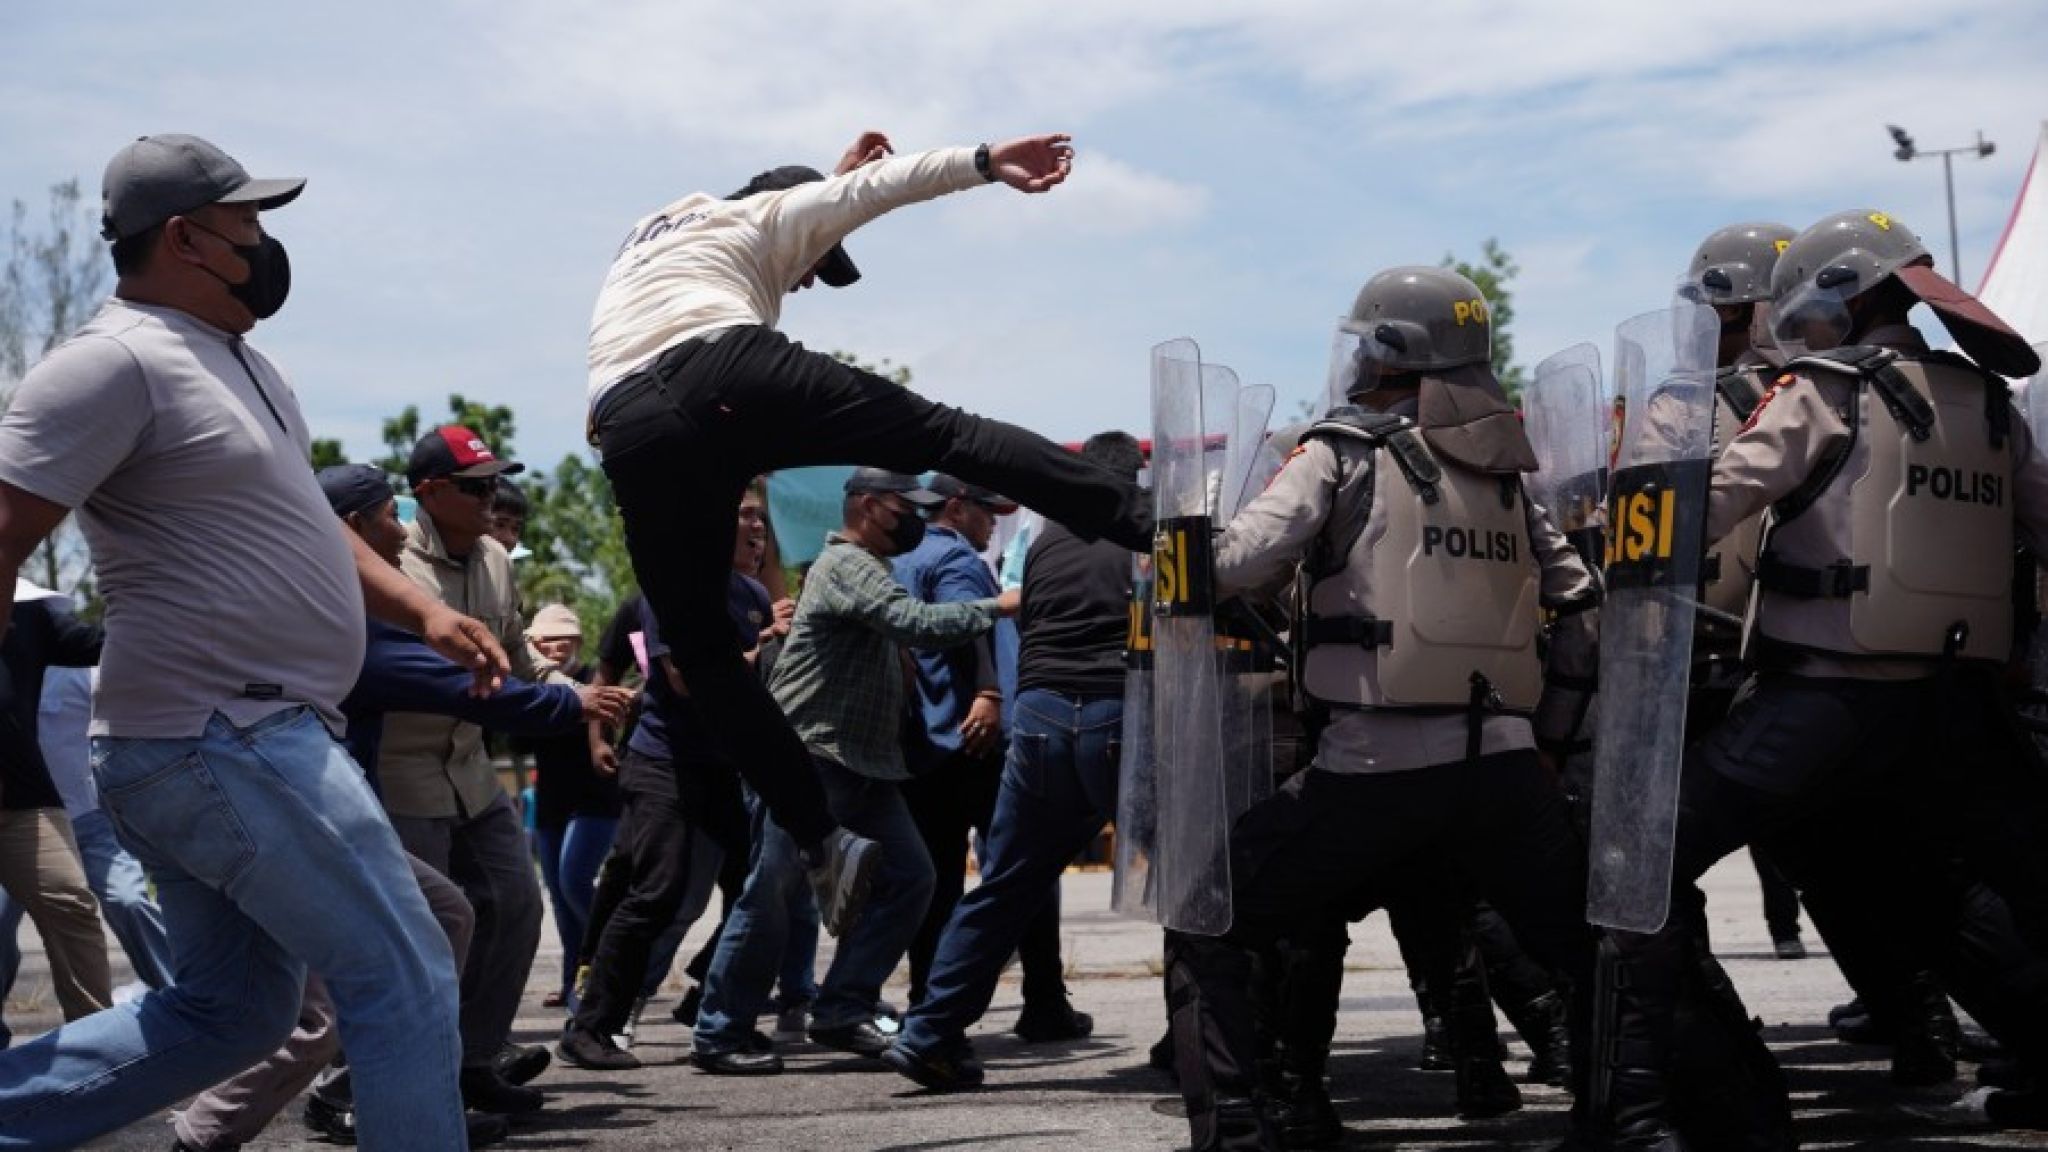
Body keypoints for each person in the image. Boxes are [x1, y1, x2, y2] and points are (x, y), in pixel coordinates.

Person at [0, 133, 508, 1151]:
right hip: (216, 730)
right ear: (187, 239)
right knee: (401, 969)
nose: (266, 246)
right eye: (249, 226)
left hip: (244, 734)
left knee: (235, 1011)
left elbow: (306, 523)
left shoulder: (244, 364)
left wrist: (420, 611)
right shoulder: (108, 364)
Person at [585, 129, 1152, 941]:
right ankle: (1145, 524)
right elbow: (865, 194)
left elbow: (809, 206)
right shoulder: (767, 216)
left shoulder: (658, 230)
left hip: (628, 426)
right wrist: (986, 163)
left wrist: (833, 187)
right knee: (948, 436)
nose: (810, 282)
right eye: (818, 265)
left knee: (702, 652)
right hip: (726, 376)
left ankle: (821, 841)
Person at [1596, 209, 2048, 1145]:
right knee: (1988, 890)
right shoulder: (1991, 405)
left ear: (1840, 298)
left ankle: (1677, 1115)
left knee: (1643, 864)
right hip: (1962, 707)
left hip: (1831, 699)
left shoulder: (1822, 390)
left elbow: (1713, 501)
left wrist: (1617, 517)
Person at [1154, 269, 1602, 1151]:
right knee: (1584, 949)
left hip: (1373, 762)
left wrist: (1174, 526)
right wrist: (1551, 739)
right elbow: (1579, 604)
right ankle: (1634, 1117)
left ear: (1392, 351)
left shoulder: (1339, 449)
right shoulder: (1507, 470)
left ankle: (1243, 1130)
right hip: (1506, 767)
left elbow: (1239, 562)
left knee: (1209, 915)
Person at [172, 464, 628, 1152]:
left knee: (439, 920)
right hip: (294, 808)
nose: (399, 528)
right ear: (352, 529)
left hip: (321, 805)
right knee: (307, 1011)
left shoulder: (373, 589)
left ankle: (419, 1090)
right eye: (389, 514)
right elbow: (449, 685)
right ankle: (238, 1122)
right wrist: (570, 701)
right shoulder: (341, 607)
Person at [691, 470, 1019, 1074]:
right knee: (771, 893)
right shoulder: (847, 566)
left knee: (912, 879)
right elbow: (918, 623)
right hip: (809, 757)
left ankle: (844, 1006)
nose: (916, 521)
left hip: (864, 765)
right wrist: (1001, 605)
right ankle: (719, 1031)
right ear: (870, 507)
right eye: (906, 508)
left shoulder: (875, 568)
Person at [885, 434, 1142, 1091]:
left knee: (1005, 882)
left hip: (1039, 719)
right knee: (1181, 883)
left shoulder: (1050, 538)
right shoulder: (1146, 532)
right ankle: (1195, 1042)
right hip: (1114, 712)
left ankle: (930, 1031)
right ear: (1135, 477)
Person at [377, 424, 580, 1114]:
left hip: (470, 768)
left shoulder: (496, 557)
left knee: (517, 907)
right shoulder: (392, 563)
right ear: (429, 493)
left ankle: (473, 1060)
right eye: (475, 486)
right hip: (398, 771)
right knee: (419, 936)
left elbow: (518, 651)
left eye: (496, 480)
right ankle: (377, 1081)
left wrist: (566, 686)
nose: (493, 496)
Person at [559, 492, 784, 1069]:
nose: (755, 524)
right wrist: (758, 650)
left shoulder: (755, 595)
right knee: (656, 892)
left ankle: (718, 1008)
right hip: (663, 764)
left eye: (760, 514)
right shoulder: (672, 590)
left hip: (724, 765)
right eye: (743, 513)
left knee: (763, 883)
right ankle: (591, 1027)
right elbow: (686, 681)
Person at [893, 474, 1084, 1037]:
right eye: (987, 512)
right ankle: (1044, 1001)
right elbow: (973, 622)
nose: (993, 524)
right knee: (1026, 866)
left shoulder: (900, 559)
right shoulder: (958, 560)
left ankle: (928, 1004)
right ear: (957, 506)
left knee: (937, 880)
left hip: (923, 745)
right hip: (977, 742)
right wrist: (990, 693)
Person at [0, 662, 175, 1050]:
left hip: (87, 815)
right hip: (23, 820)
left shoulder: (83, 673)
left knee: (130, 899)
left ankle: (189, 1005)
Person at [0, 583, 112, 1030]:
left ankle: (97, 1049)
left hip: (24, 802)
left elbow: (101, 644)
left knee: (71, 904)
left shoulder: (27, 613)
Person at [521, 604, 621, 1012]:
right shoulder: (530, 685)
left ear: (578, 642)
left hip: (595, 798)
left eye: (565, 637)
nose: (557, 645)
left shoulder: (593, 681)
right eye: (547, 639)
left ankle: (610, 956)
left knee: (573, 879)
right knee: (559, 899)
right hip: (551, 802)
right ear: (533, 644)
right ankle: (571, 983)